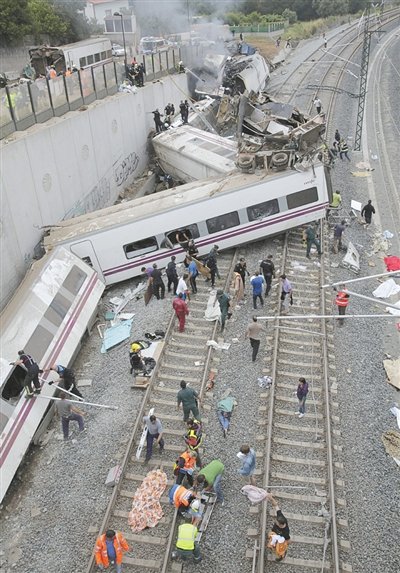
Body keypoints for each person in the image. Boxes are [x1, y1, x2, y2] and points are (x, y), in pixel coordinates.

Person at [266, 494, 291, 561]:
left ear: (280, 525)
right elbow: (276, 506)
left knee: (279, 548)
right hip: (275, 534)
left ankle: (281, 555)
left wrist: (284, 545)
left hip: (281, 538)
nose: (275, 521)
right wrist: (271, 499)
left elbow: (288, 540)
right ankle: (273, 545)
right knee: (271, 535)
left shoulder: (286, 532)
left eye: (276, 522)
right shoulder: (280, 516)